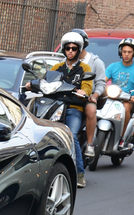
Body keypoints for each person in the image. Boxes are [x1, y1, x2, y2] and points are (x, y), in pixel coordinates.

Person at [27, 32, 92, 188]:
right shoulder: (57, 67)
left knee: (72, 135)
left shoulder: (85, 68)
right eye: (68, 48)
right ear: (63, 49)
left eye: (74, 48)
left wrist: (84, 91)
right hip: (54, 106)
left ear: (79, 50)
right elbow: (46, 80)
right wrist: (33, 83)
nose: (70, 51)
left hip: (73, 108)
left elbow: (87, 87)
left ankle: (80, 173)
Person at [105, 38, 134, 148]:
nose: (126, 54)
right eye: (124, 52)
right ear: (120, 52)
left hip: (128, 100)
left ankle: (122, 138)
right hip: (112, 98)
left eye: (129, 52)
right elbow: (102, 81)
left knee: (126, 107)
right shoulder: (112, 67)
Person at [71, 28, 106, 158]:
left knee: (91, 110)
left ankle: (90, 144)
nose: (71, 49)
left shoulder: (96, 62)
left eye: (75, 45)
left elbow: (101, 83)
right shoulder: (66, 61)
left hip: (86, 98)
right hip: (68, 97)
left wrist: (94, 96)